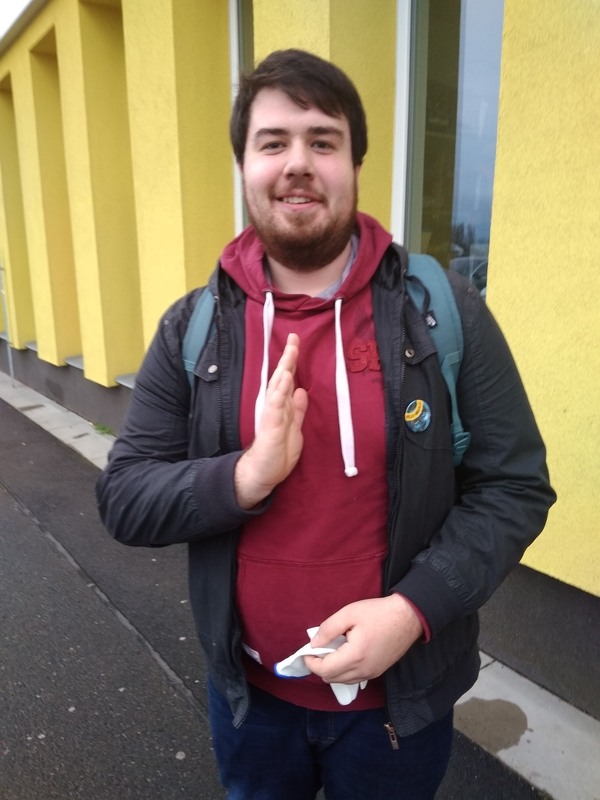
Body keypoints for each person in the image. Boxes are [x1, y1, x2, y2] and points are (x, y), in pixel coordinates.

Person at [96, 49, 555, 799]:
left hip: (397, 714)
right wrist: (246, 476)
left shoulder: (441, 310)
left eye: (323, 140)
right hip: (251, 704)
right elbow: (124, 497)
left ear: (355, 165)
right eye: (273, 142)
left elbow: (514, 486)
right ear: (244, 166)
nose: (298, 163)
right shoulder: (196, 326)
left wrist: (414, 610)